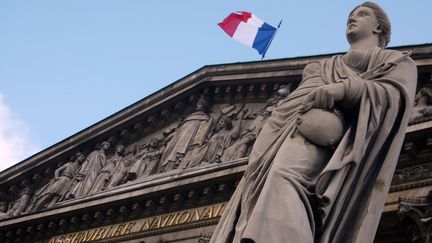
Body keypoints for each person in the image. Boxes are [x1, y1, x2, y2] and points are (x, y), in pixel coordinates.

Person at [210, 2, 417, 243]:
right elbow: (292, 104)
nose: (352, 18)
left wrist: (345, 89)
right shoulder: (324, 66)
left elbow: (394, 97)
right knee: (259, 196)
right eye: (350, 15)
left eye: (362, 14)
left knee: (283, 178)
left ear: (379, 27)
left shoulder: (395, 61)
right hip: (281, 135)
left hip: (325, 142)